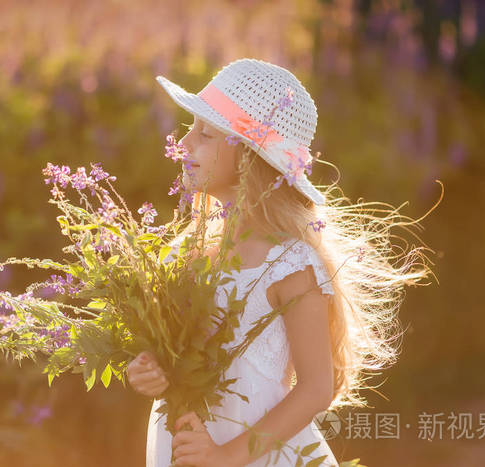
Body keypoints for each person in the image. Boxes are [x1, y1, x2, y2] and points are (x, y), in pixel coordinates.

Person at [127, 58, 434, 467]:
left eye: (205, 133)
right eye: (190, 129)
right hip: (188, 446)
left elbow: (314, 389)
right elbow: (180, 355)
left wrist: (226, 457)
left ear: (251, 157)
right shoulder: (192, 252)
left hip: (252, 454)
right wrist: (149, 370)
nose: (184, 144)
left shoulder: (289, 263)